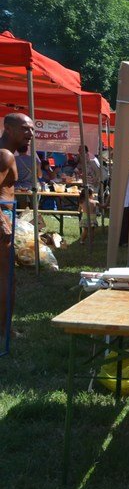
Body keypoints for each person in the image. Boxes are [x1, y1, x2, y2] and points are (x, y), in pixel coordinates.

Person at [0, 113, 34, 345]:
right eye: (25, 129)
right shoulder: (4, 155)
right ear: (9, 129)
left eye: (32, 129)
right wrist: (2, 219)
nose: (30, 134)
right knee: (5, 278)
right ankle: (5, 331)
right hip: (2, 217)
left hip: (6, 214)